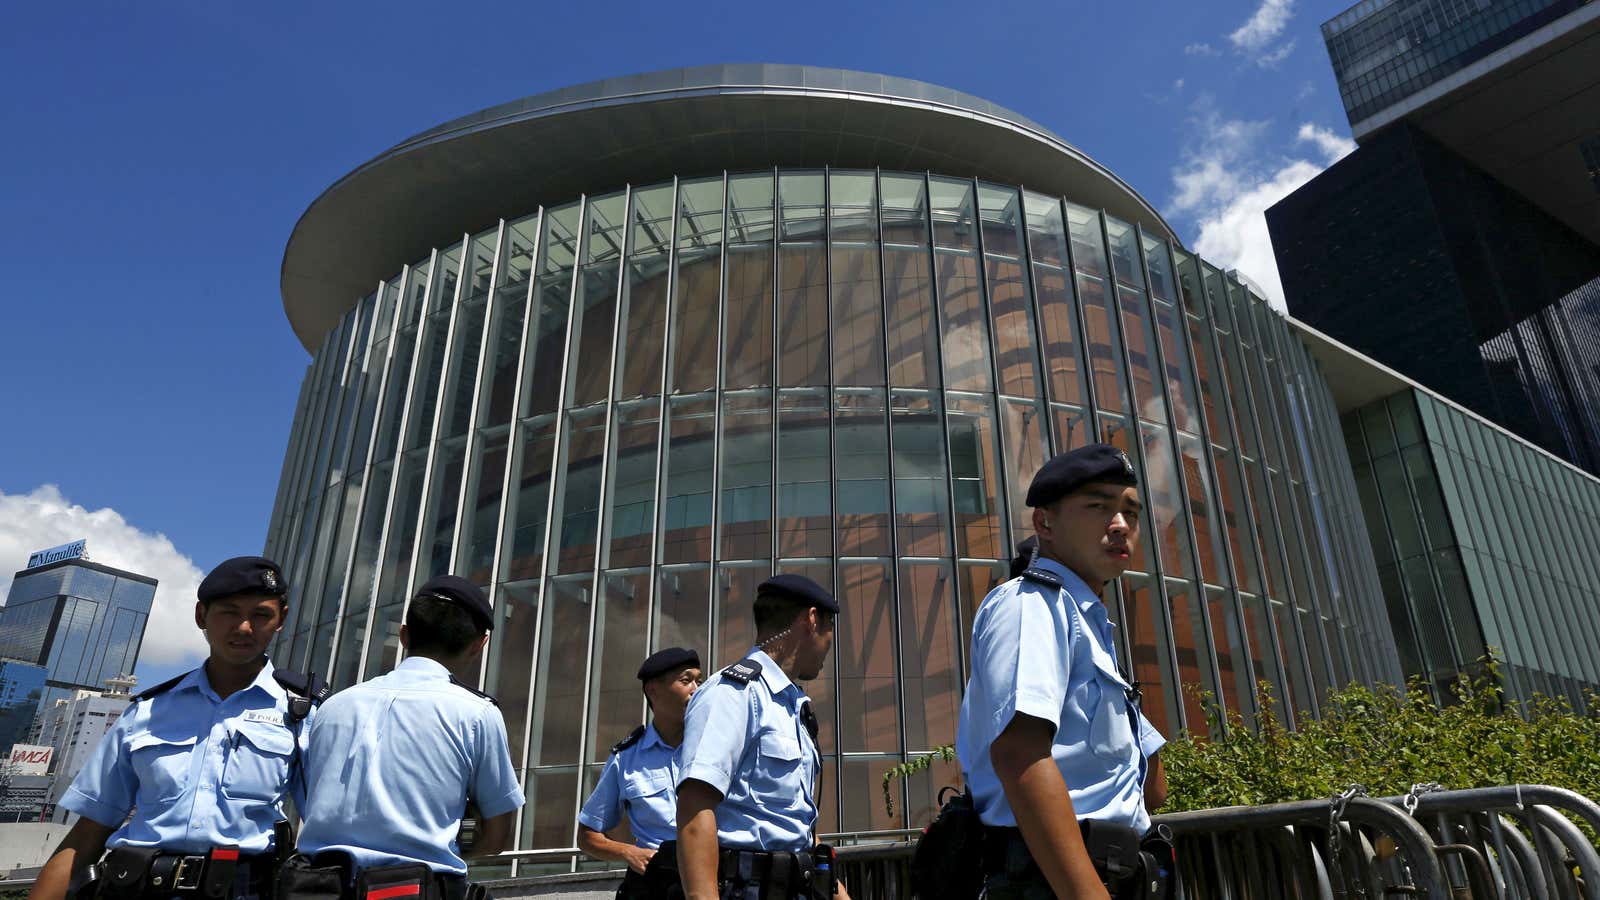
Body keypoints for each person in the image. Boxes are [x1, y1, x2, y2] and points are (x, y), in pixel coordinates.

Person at [28, 556, 325, 900]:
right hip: (135, 888)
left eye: (261, 615)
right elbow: (88, 833)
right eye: (229, 611)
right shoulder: (147, 711)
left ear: (281, 620)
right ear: (201, 615)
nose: (244, 627)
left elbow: (325, 825)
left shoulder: (301, 714)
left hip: (244, 889)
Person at [956, 444, 1171, 899]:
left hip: (1107, 871)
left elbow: (1154, 789)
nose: (1120, 525)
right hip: (1051, 880)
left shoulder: (1086, 621)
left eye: (1130, 513)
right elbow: (1019, 755)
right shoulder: (1031, 604)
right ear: (1045, 523)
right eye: (1098, 506)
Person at [292, 575, 524, 900]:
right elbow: (497, 835)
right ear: (479, 644)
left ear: (403, 634)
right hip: (409, 889)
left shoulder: (333, 706)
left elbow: (312, 802)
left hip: (314, 889)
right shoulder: (477, 714)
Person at [675, 574, 850, 900]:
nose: (828, 650)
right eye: (829, 633)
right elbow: (694, 808)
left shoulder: (791, 706)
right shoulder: (733, 695)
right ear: (811, 621)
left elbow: (794, 823)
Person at [577, 647, 703, 899]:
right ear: (653, 690)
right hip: (655, 885)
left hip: (711, 876)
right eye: (686, 680)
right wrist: (628, 852)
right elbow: (587, 835)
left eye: (700, 681)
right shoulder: (626, 758)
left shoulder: (714, 747)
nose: (696, 689)